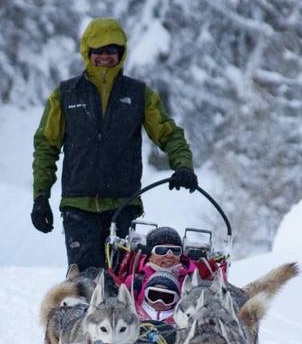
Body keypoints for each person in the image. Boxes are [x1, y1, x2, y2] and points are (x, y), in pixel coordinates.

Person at [30, 17, 198, 271]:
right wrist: (41, 197)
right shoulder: (65, 94)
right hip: (79, 206)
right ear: (88, 51)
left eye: (112, 49)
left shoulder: (139, 94)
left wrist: (183, 166)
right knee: (85, 284)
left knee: (124, 284)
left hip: (124, 206)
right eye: (99, 49)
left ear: (122, 52)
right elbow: (46, 147)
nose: (106, 56)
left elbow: (168, 134)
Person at [125, 227, 196, 324]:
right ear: (150, 255)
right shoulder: (135, 282)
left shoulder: (191, 284)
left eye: (175, 251)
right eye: (161, 250)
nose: (169, 255)